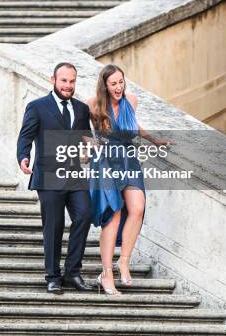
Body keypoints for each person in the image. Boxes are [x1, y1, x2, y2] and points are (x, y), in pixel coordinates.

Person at [87, 64, 172, 296]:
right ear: (105, 85)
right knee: (113, 214)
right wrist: (88, 143)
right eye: (113, 83)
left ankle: (123, 261)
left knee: (137, 207)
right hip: (106, 161)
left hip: (128, 159)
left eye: (121, 82)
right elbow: (80, 130)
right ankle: (106, 274)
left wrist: (155, 140)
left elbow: (133, 126)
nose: (118, 87)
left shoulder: (131, 101)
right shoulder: (93, 104)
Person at [17, 62, 94, 294]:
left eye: (72, 81)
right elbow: (26, 136)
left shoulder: (81, 109)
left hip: (74, 175)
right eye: (64, 81)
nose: (68, 85)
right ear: (53, 80)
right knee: (54, 225)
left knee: (85, 215)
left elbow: (85, 138)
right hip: (48, 174)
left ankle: (72, 272)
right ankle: (52, 276)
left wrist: (88, 150)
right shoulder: (37, 107)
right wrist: (23, 156)